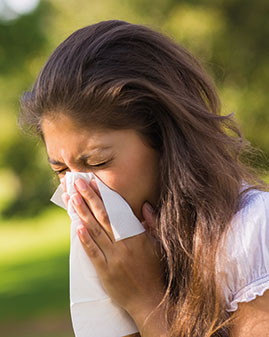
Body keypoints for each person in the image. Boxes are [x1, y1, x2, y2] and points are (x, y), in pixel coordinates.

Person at [19, 20, 269, 337]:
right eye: (61, 171)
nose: (78, 190)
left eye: (97, 161)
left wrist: (145, 302)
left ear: (164, 140)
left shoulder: (251, 235)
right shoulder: (126, 258)